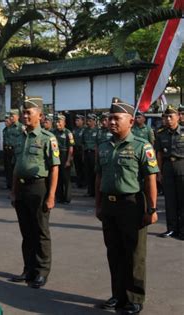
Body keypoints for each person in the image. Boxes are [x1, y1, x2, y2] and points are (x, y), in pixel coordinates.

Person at [95, 97, 158, 314]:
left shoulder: (141, 146)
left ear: (130, 121)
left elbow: (150, 179)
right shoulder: (103, 145)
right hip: (109, 205)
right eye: (109, 118)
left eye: (116, 118)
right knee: (114, 252)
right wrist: (98, 205)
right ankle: (118, 295)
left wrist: (152, 209)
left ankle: (135, 298)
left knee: (134, 254)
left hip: (132, 205)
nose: (111, 122)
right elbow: (99, 177)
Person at [9, 98, 60, 289]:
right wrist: (13, 191)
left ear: (40, 115)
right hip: (21, 188)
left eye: (29, 112)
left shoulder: (47, 138)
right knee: (26, 231)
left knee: (40, 231)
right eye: (24, 112)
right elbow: (16, 166)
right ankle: (28, 268)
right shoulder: (20, 136)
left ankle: (42, 271)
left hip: (38, 187)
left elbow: (55, 168)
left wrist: (52, 196)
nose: (25, 115)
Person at [155, 105, 184, 239]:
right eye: (166, 116)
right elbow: (159, 154)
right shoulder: (161, 134)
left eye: (171, 116)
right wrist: (159, 172)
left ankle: (183, 230)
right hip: (167, 167)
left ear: (178, 117)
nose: (168, 119)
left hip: (182, 166)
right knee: (170, 201)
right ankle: (171, 229)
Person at [53, 113, 74, 204]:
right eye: (56, 122)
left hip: (65, 155)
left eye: (59, 122)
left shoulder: (68, 133)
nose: (57, 124)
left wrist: (68, 160)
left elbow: (71, 148)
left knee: (66, 179)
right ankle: (59, 197)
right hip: (56, 155)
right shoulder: (54, 132)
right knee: (58, 178)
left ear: (64, 122)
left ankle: (67, 198)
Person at [82, 113, 98, 197]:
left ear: (94, 121)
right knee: (88, 173)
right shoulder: (85, 130)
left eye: (90, 121)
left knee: (95, 173)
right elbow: (83, 143)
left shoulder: (98, 131)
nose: (88, 122)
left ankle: (95, 192)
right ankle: (89, 191)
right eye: (87, 121)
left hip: (94, 153)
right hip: (86, 152)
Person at [73, 114, 86, 188]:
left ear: (82, 121)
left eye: (78, 120)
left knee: (83, 167)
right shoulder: (74, 130)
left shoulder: (85, 129)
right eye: (75, 120)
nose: (76, 122)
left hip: (82, 150)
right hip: (76, 150)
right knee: (77, 167)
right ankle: (79, 182)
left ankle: (84, 182)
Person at [2, 113, 13, 189]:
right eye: (5, 121)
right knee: (7, 168)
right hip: (6, 150)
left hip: (12, 150)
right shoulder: (4, 130)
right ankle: (8, 183)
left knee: (11, 168)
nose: (6, 123)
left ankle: (12, 185)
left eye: (7, 121)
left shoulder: (13, 129)